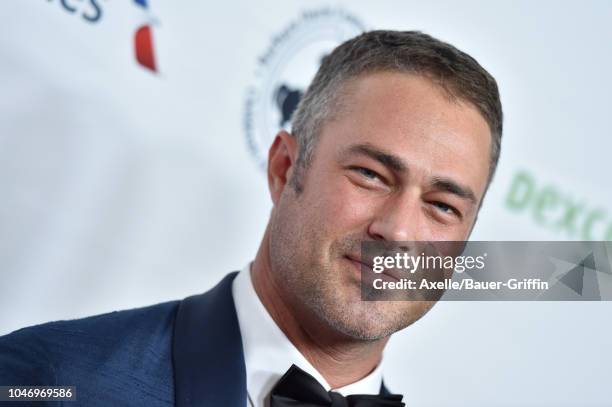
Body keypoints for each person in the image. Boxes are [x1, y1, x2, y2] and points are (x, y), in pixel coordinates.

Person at [0, 30, 503, 406]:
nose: (397, 231)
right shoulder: (45, 379)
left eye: (442, 207)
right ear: (285, 169)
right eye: (370, 175)